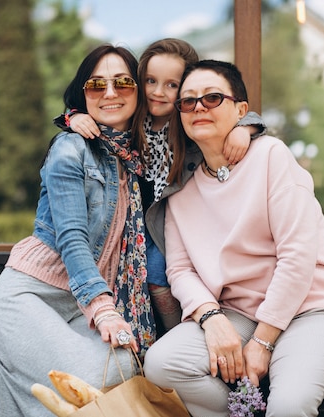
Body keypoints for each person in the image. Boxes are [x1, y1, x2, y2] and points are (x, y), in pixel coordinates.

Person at [142, 60, 324, 417]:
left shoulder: (270, 156)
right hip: (238, 315)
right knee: (162, 365)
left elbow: (297, 256)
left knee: (290, 406)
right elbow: (181, 270)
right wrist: (210, 318)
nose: (198, 106)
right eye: (187, 101)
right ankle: (246, 412)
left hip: (315, 308)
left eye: (212, 98)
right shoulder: (180, 189)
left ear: (241, 110)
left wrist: (263, 341)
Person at [53, 38, 266, 333]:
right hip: (135, 222)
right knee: (147, 272)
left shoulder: (190, 123)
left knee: (161, 272)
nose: (157, 92)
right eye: (150, 81)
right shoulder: (131, 121)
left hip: (175, 223)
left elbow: (235, 113)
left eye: (171, 85)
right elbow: (95, 114)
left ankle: (176, 332)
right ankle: (163, 336)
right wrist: (73, 117)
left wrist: (246, 128)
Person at [0, 45, 153, 417]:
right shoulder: (70, 147)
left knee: (124, 366)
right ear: (83, 94)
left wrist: (249, 125)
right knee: (94, 375)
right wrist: (104, 309)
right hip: (31, 296)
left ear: (138, 92)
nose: (110, 93)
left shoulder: (135, 158)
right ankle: (17, 365)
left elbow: (194, 118)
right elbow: (72, 238)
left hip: (79, 309)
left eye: (123, 82)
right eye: (97, 85)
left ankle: (15, 373)